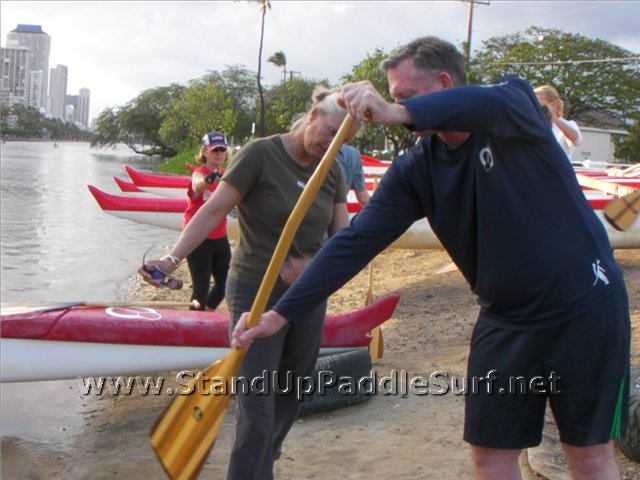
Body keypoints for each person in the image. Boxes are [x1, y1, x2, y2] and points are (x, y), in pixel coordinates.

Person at [233, 36, 630, 480]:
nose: (395, 107)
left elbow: (488, 101)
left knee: (587, 454)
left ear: (444, 83)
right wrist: (283, 313)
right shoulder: (416, 169)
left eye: (406, 95)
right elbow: (354, 242)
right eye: (394, 98)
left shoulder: (513, 106)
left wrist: (395, 111)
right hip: (506, 320)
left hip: (585, 308)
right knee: (490, 455)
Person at [139, 85, 360, 479]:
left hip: (306, 296)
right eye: (330, 132)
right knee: (257, 403)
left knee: (289, 396)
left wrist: (312, 265)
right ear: (313, 116)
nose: (332, 144)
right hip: (255, 291)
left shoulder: (332, 170)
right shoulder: (260, 154)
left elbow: (342, 237)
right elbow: (213, 211)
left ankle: (263, 469)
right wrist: (172, 258)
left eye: (342, 140)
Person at [183, 131, 232, 311]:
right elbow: (197, 185)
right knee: (200, 290)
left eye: (222, 150)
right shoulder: (199, 172)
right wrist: (210, 179)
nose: (219, 153)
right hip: (198, 238)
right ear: (205, 151)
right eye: (214, 150)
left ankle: (207, 316)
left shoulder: (228, 174)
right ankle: (195, 322)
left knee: (224, 286)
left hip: (220, 237)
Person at [535, 84, 582, 161]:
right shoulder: (533, 125)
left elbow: (575, 140)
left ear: (553, 104)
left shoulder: (567, 125)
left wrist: (553, 118)